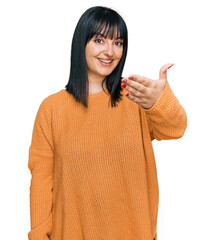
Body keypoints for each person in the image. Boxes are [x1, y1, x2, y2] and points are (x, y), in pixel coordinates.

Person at [27, 6, 187, 240]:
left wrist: (158, 102)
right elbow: (41, 183)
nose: (110, 51)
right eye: (99, 40)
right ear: (81, 42)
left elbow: (175, 129)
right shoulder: (52, 109)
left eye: (118, 42)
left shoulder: (134, 96)